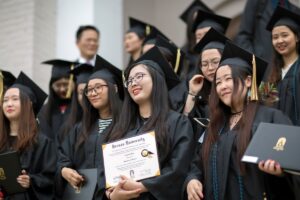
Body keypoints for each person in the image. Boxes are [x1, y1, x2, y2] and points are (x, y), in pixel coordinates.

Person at [184, 41, 294, 200]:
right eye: (218, 82)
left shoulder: (270, 118)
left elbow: (291, 165)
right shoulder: (215, 126)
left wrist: (280, 173)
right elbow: (197, 163)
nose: (222, 86)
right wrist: (192, 180)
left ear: (248, 81)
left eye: (228, 79)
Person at [106, 47, 195, 200]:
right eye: (130, 80)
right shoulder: (122, 127)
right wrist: (111, 195)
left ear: (156, 79)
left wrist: (144, 186)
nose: (133, 83)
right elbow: (109, 173)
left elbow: (179, 168)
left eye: (139, 76)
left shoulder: (177, 122)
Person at [56, 55, 123, 199]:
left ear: (115, 88)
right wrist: (64, 170)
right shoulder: (80, 129)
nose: (92, 93)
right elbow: (63, 157)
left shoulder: (128, 125)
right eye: (89, 89)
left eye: (98, 87)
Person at [0, 72, 56, 199]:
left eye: (15, 99)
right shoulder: (1, 140)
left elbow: (52, 179)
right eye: (5, 100)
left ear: (29, 104)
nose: (9, 104)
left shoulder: (42, 142)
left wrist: (31, 180)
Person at [266, 6, 300, 126]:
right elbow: (265, 102)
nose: (280, 41)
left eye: (285, 35)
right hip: (278, 136)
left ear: (296, 37)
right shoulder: (270, 72)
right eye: (275, 37)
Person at [235, 0, 300, 62]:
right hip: (263, 64)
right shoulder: (258, 3)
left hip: (286, 66)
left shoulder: (294, 10)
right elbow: (243, 36)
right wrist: (255, 62)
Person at [38, 59, 77, 140]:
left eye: (66, 84)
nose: (62, 89)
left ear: (74, 84)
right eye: (58, 85)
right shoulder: (44, 112)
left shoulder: (81, 109)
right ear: (51, 86)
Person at [58, 63, 94, 144]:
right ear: (76, 96)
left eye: (88, 91)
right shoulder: (67, 128)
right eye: (81, 92)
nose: (85, 96)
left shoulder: (104, 124)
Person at [179, 0, 213, 79]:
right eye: (195, 20)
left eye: (202, 19)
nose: (199, 24)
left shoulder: (218, 48)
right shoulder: (182, 54)